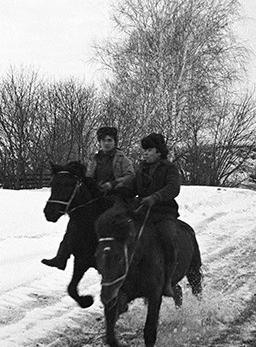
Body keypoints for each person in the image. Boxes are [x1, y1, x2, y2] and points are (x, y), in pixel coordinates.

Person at [42, 126, 134, 270]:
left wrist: (113, 184)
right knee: (77, 219)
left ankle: (114, 255)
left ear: (115, 142)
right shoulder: (95, 159)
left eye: (109, 140)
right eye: (103, 140)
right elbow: (90, 176)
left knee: (109, 220)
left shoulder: (122, 159)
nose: (106, 143)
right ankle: (62, 256)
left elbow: (130, 176)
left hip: (116, 196)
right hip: (98, 196)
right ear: (99, 142)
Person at [126, 133, 180, 297]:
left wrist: (155, 197)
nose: (145, 153)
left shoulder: (170, 168)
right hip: (143, 213)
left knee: (168, 238)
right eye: (145, 150)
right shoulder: (141, 169)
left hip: (164, 214)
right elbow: (132, 188)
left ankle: (168, 281)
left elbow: (173, 188)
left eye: (149, 150)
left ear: (159, 152)